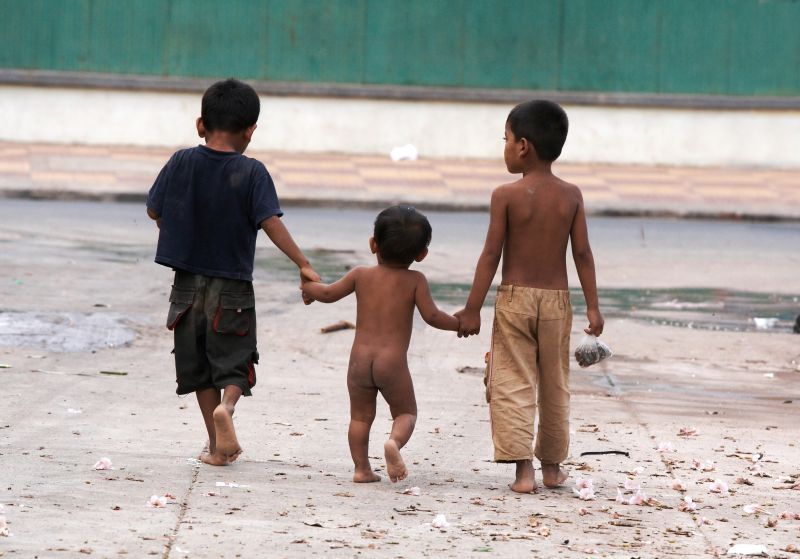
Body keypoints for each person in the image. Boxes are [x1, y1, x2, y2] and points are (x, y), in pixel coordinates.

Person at [146, 78, 319, 466]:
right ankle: (228, 406)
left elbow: (155, 211)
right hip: (233, 288)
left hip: (186, 287)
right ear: (250, 131)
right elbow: (270, 221)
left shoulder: (180, 161)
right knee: (234, 361)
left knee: (198, 367)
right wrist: (303, 263)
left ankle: (215, 444)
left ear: (200, 125)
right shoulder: (252, 172)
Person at [455, 100, 604, 493]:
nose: (503, 147)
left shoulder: (505, 194)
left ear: (523, 146)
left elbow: (491, 254)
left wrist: (472, 309)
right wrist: (593, 305)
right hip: (557, 301)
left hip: (515, 301)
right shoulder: (571, 195)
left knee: (512, 381)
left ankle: (524, 472)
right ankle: (552, 469)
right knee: (555, 382)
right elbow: (582, 254)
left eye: (504, 139)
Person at [301, 206, 459, 483]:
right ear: (421, 254)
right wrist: (459, 324)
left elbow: (326, 293)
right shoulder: (415, 280)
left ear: (373, 243)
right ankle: (393, 444)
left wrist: (307, 288)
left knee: (360, 418)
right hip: (392, 362)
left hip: (359, 360)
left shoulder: (360, 274)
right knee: (406, 412)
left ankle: (362, 469)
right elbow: (433, 316)